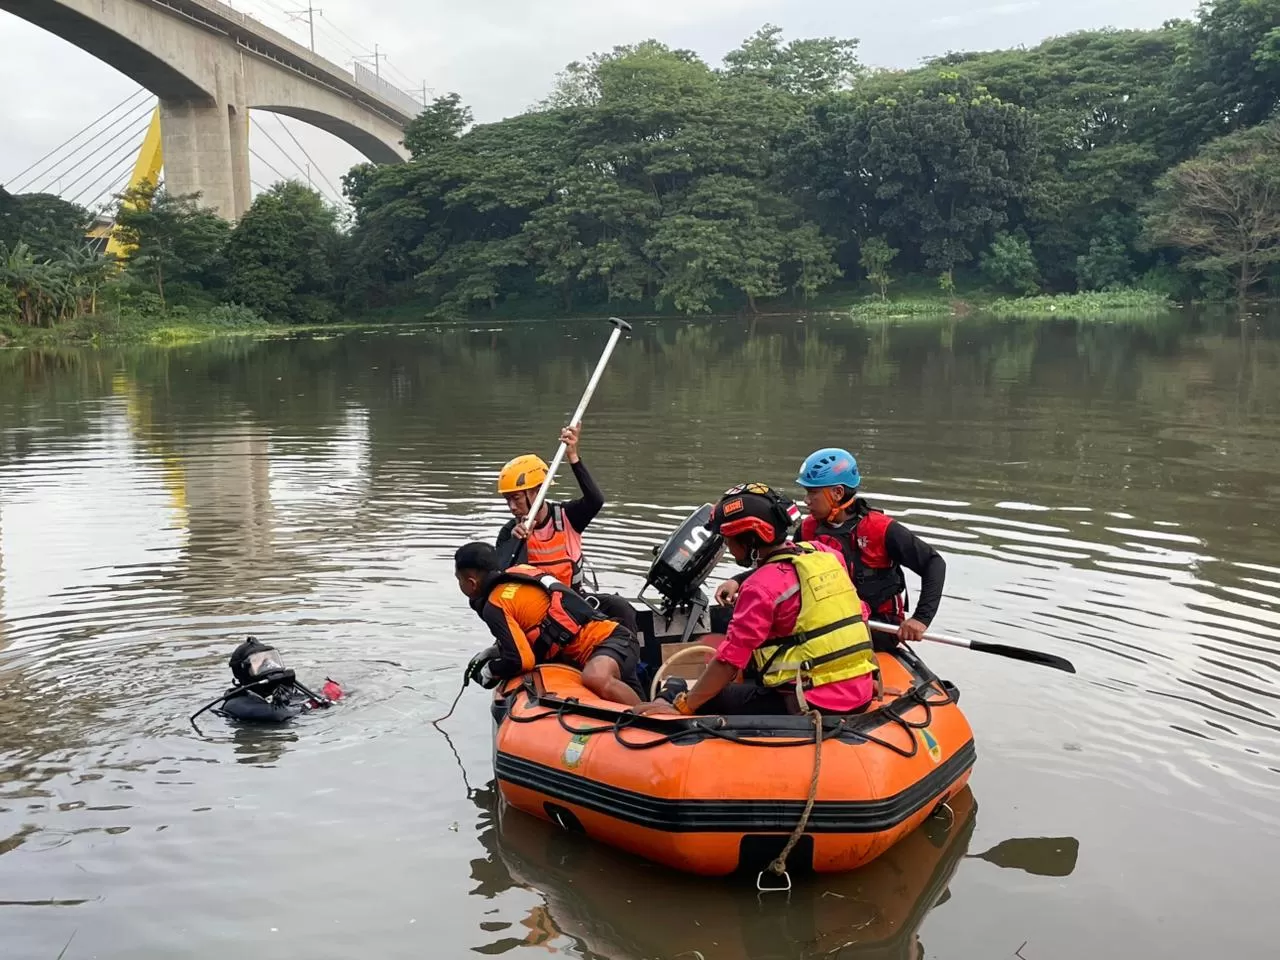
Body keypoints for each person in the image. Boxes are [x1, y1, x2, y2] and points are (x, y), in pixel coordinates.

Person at [635, 483, 878, 717]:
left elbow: (728, 662)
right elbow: (854, 619)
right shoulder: (826, 554)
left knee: (686, 690)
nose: (728, 547)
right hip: (859, 693)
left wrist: (685, 705)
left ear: (750, 540)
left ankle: (668, 697)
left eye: (729, 540)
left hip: (807, 701)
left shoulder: (759, 588)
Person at [715, 448, 945, 644]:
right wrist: (738, 580)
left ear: (837, 492)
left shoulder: (881, 529)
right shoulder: (808, 529)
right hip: (829, 616)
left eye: (813, 493)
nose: (806, 500)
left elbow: (933, 563)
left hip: (877, 625)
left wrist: (920, 619)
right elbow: (780, 565)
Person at [454, 541, 643, 706]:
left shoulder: (494, 605)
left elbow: (521, 661)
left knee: (596, 678)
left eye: (458, 580)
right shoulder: (519, 575)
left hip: (609, 643)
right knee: (638, 698)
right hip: (611, 640)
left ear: (471, 582)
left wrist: (490, 670)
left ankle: (651, 722)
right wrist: (495, 651)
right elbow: (531, 631)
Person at [495, 425, 637, 632]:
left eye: (516, 498)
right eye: (507, 500)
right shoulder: (510, 533)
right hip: (536, 610)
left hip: (573, 600)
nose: (512, 507)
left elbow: (595, 500)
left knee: (620, 607)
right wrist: (519, 543)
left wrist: (573, 456)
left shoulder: (568, 516)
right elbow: (503, 580)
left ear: (537, 492)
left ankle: (632, 660)